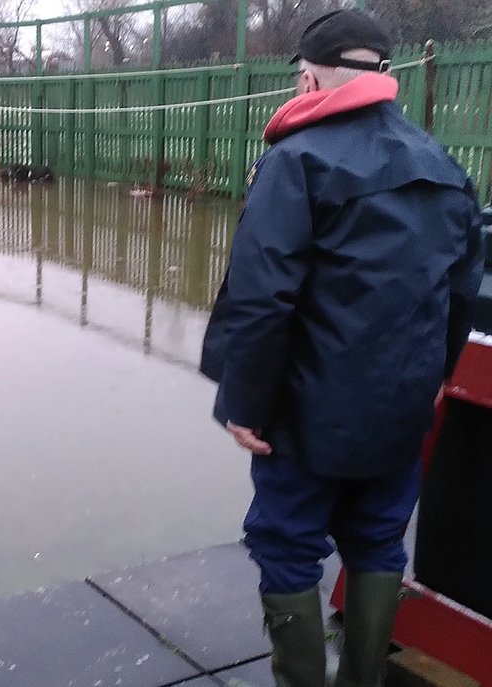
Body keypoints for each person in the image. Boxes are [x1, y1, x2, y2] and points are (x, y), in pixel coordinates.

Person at [200, 9, 486, 687]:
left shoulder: (296, 161)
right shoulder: (443, 166)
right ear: (385, 73)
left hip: (304, 416)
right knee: (379, 540)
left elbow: (262, 296)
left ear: (309, 76)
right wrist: (434, 380)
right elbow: (460, 294)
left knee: (286, 543)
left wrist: (244, 403)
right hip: (399, 409)